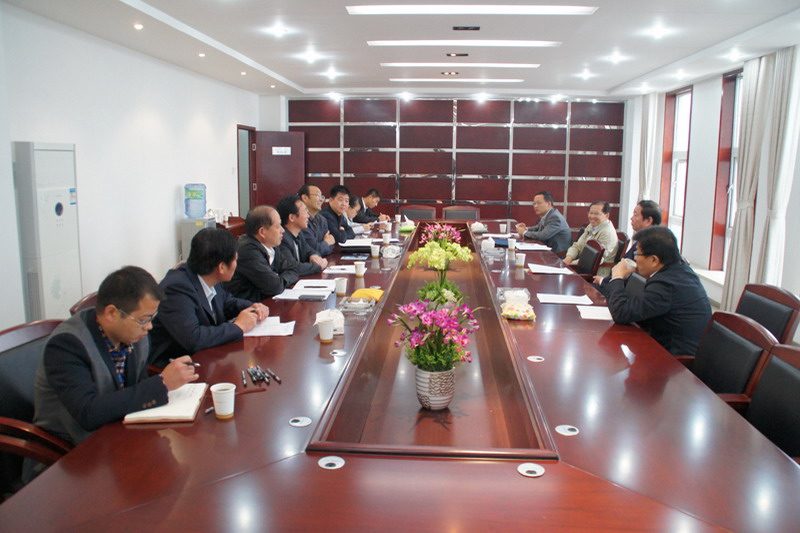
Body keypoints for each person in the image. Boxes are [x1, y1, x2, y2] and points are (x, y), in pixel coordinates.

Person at [33, 266, 199, 445]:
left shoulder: (135, 335)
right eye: (143, 319)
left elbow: (136, 384)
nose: (149, 326)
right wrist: (162, 383)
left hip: (120, 432)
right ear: (111, 313)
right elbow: (88, 413)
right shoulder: (66, 346)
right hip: (73, 450)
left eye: (152, 317)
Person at [149, 228, 268, 367]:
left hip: (206, 357)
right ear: (221, 267)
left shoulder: (208, 275)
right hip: (172, 365)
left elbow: (225, 301)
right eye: (235, 259)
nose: (237, 265)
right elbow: (194, 338)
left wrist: (251, 307)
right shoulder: (176, 288)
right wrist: (239, 326)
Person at [605, 226, 711, 355]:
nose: (635, 258)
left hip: (674, 359)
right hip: (661, 344)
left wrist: (617, 277)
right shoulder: (680, 270)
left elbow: (621, 313)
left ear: (654, 260)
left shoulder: (666, 285)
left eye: (637, 254)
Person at [225, 205, 300, 300]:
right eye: (278, 226)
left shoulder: (272, 245)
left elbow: (293, 269)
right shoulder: (248, 251)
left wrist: (281, 279)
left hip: (265, 302)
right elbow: (274, 286)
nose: (283, 230)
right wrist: (281, 279)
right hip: (246, 306)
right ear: (262, 232)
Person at [594, 200, 661, 290]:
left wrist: (603, 281)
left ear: (648, 220)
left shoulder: (649, 244)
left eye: (635, 215)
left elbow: (628, 275)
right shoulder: (643, 239)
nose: (631, 218)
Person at [563, 201, 619, 277]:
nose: (592, 216)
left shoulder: (607, 233)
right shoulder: (592, 225)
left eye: (596, 214)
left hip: (596, 274)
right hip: (581, 267)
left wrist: (568, 264)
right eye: (591, 213)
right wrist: (568, 259)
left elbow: (594, 260)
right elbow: (577, 245)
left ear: (606, 215)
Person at [276, 194, 328, 276]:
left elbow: (310, 250)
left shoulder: (299, 234)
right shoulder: (282, 239)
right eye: (305, 212)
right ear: (292, 217)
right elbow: (292, 267)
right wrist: (318, 266)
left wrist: (313, 256)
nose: (308, 216)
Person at [298, 184, 336, 257]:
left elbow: (331, 246)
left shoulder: (322, 220)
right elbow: (313, 250)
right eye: (318, 195)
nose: (321, 200)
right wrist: (326, 243)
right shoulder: (301, 220)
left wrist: (324, 245)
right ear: (305, 198)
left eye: (322, 197)